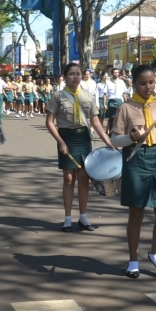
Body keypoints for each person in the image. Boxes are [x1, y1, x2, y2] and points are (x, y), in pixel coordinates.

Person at [109, 65, 156, 279]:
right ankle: (133, 259)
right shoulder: (125, 109)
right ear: (134, 83)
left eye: (151, 82)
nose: (148, 86)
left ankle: (155, 253)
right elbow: (115, 139)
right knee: (136, 213)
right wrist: (131, 137)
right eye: (143, 83)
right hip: (135, 159)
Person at [46, 63, 115, 232]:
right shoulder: (58, 96)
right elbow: (49, 122)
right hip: (66, 138)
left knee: (84, 179)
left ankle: (83, 218)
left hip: (83, 138)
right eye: (71, 74)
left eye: (78, 74)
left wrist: (107, 140)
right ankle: (68, 219)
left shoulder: (88, 96)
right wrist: (60, 142)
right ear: (65, 76)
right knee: (69, 180)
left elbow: (95, 121)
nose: (75, 77)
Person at [104, 68, 128, 134]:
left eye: (117, 72)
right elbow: (105, 94)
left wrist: (126, 102)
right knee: (111, 117)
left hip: (119, 101)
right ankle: (111, 132)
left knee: (120, 117)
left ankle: (119, 131)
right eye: (114, 72)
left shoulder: (121, 82)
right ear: (112, 73)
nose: (116, 73)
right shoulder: (108, 82)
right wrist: (105, 104)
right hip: (111, 101)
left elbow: (124, 93)